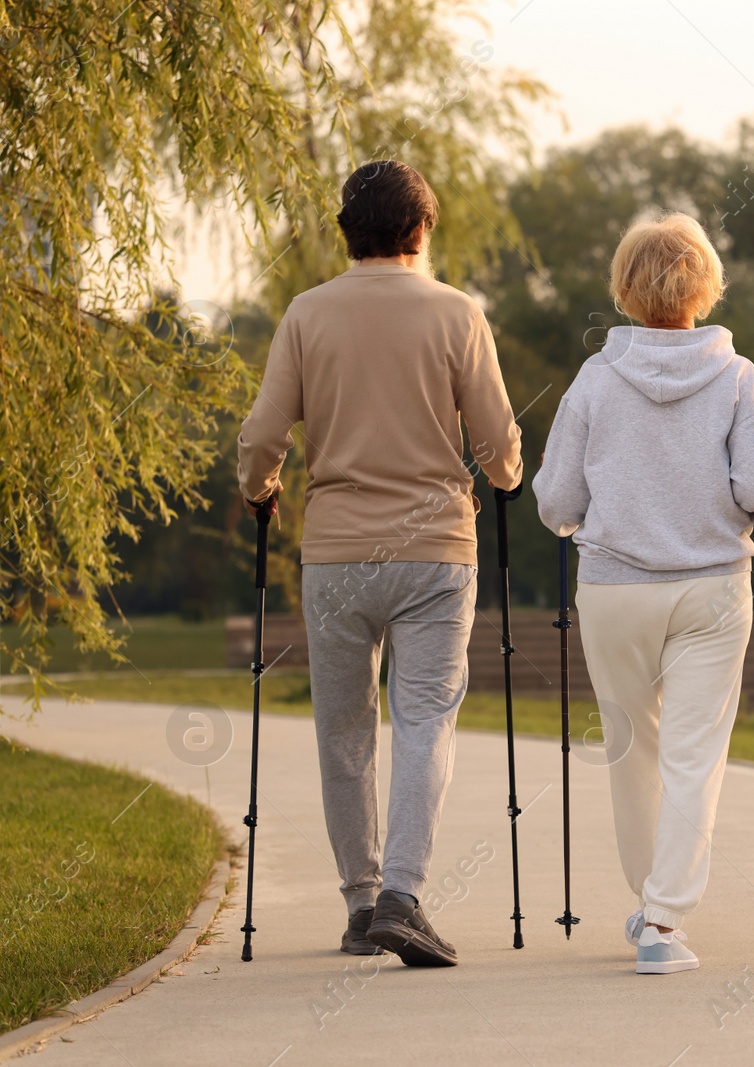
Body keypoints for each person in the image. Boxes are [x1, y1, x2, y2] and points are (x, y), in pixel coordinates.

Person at [237, 160, 523, 967]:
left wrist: (260, 489)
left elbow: (263, 436)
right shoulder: (457, 312)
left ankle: (363, 905)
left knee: (344, 728)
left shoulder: (306, 313)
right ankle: (403, 891)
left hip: (336, 552)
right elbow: (497, 445)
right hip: (435, 551)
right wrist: (505, 478)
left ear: (345, 232)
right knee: (426, 717)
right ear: (421, 230)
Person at [532, 212, 754, 975]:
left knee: (631, 749)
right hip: (712, 586)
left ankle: (654, 906)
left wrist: (600, 510)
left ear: (624, 287)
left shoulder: (594, 380)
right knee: (692, 756)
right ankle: (664, 919)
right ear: (705, 285)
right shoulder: (739, 378)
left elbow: (555, 501)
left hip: (614, 589)